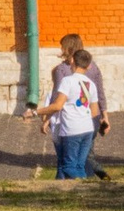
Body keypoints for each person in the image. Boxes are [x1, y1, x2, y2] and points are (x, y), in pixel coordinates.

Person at [40, 44, 103, 182]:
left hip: (71, 129)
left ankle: (84, 184)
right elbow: (94, 111)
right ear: (89, 66)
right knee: (79, 165)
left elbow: (57, 106)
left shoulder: (67, 81)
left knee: (68, 166)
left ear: (73, 61)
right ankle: (81, 193)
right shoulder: (90, 84)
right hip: (87, 129)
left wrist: (36, 112)